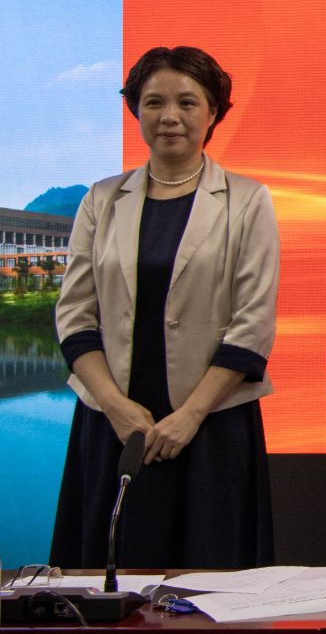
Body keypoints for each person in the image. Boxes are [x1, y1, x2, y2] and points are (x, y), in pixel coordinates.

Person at [51, 46, 279, 568]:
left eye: (187, 102)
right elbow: (75, 316)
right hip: (113, 421)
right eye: (153, 102)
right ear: (135, 110)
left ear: (214, 111)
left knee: (211, 581)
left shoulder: (248, 200)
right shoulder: (100, 199)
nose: (169, 116)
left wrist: (189, 416)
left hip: (211, 422)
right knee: (108, 574)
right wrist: (114, 405)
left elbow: (252, 324)